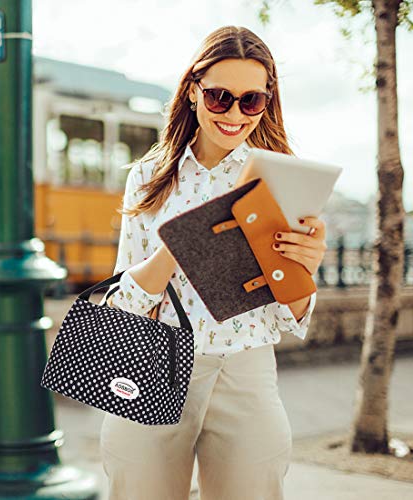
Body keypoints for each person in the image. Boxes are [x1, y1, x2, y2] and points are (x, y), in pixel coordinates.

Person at [99, 25, 327, 500]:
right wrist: (181, 245)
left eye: (252, 101)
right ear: (193, 91)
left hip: (245, 371)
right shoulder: (149, 177)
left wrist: (306, 268)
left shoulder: (279, 176)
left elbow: (291, 315)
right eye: (220, 97)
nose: (235, 114)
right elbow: (122, 307)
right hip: (152, 365)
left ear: (266, 102)